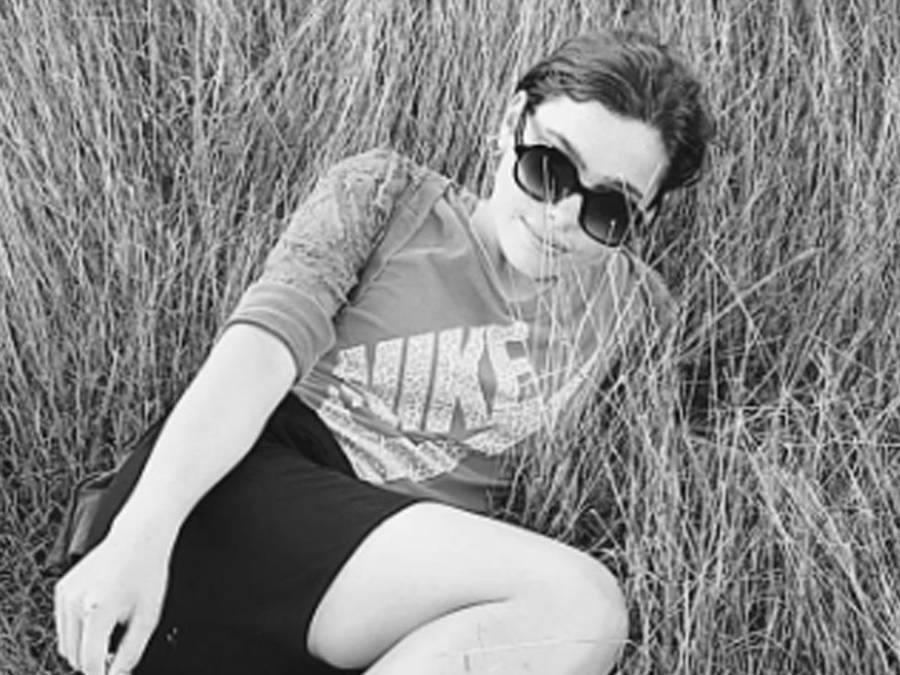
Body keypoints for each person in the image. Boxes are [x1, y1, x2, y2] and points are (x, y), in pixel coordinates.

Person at [53, 28, 713, 675]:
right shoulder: (386, 198)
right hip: (227, 497)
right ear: (513, 119)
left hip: (376, 611)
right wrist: (140, 533)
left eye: (609, 208)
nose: (562, 217)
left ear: (646, 217)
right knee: (580, 607)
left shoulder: (634, 313)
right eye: (550, 168)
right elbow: (258, 351)